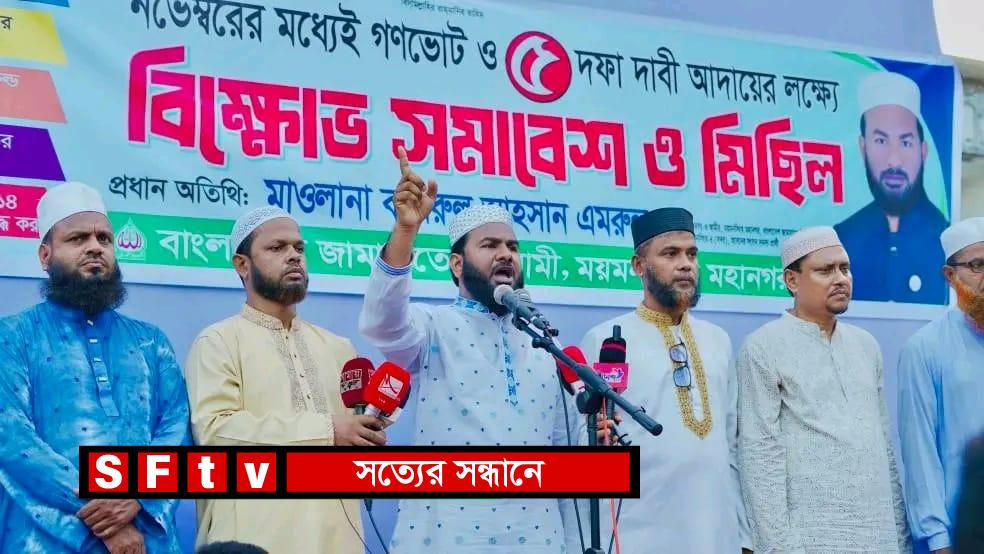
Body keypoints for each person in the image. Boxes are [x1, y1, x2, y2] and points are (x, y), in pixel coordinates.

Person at [358, 148, 576, 552]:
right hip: (446, 537)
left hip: (538, 540)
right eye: (489, 245)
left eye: (512, 246)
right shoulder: (433, 327)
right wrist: (405, 231)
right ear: (457, 265)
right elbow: (382, 322)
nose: (505, 254)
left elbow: (566, 452)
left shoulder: (545, 340)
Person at [0, 181, 191, 553]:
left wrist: (138, 498)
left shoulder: (150, 341)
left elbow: (177, 429)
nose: (95, 247)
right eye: (77, 239)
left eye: (104, 238)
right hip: (45, 538)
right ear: (45, 255)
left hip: (148, 536)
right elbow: (12, 439)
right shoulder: (12, 336)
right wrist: (105, 520)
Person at [184, 206, 384, 553]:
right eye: (277, 248)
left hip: (337, 538)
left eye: (299, 248)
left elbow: (351, 441)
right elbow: (216, 433)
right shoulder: (217, 342)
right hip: (252, 537)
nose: (293, 256)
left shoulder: (339, 348)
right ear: (242, 264)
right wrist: (327, 430)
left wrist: (367, 430)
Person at [567, 207, 751, 553]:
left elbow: (731, 444)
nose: (686, 264)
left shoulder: (719, 341)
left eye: (691, 254)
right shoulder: (604, 340)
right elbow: (583, 441)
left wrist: (743, 534)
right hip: (638, 528)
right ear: (639, 265)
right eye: (670, 254)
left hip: (716, 528)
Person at [738, 226, 910, 553]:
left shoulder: (866, 346)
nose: (840, 279)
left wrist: (900, 539)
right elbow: (759, 455)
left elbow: (884, 449)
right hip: (810, 539)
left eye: (845, 268)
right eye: (825, 270)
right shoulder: (763, 346)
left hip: (879, 537)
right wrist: (778, 547)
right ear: (792, 280)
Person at [897, 217, 984, 553]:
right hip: (961, 535)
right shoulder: (925, 348)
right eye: (977, 265)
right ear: (950, 275)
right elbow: (919, 452)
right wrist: (937, 539)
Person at [834, 71, 949, 304]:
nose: (894, 161)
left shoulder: (947, 240)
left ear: (923, 151)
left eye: (905, 142)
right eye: (881, 141)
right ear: (863, 147)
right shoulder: (842, 239)